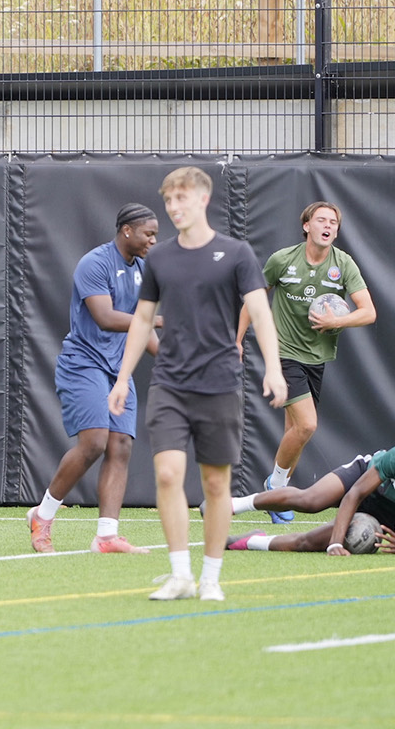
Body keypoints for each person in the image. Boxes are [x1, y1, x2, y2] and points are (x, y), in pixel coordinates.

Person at [108, 167, 284, 603]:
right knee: (168, 474)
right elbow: (143, 320)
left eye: (181, 199)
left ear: (203, 200)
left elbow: (261, 314)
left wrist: (274, 368)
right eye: (169, 201)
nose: (173, 208)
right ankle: (180, 575)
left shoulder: (237, 253)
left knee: (215, 485)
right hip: (170, 383)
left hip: (220, 383)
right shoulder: (160, 258)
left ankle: (210, 578)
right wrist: (123, 376)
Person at [28, 203, 160, 555]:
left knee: (121, 445)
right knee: (95, 443)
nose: (153, 241)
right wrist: (153, 322)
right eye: (149, 234)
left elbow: (142, 327)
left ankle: (106, 537)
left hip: (120, 370)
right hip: (83, 364)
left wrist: (170, 361)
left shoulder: (145, 271)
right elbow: (104, 317)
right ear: (127, 231)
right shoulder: (95, 263)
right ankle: (42, 516)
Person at [237, 201, 376, 523]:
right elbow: (254, 300)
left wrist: (337, 322)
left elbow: (368, 312)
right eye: (322, 220)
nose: (328, 226)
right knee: (308, 425)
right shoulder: (282, 260)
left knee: (295, 431)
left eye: (334, 223)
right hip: (283, 353)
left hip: (317, 358)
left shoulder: (344, 264)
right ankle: (277, 487)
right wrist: (237, 340)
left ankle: (279, 494)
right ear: (307, 226)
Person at [226, 441, 395, 555]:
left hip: (391, 512)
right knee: (310, 501)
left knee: (308, 543)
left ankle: (251, 541)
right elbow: (355, 493)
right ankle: (233, 505)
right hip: (365, 477)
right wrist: (336, 543)